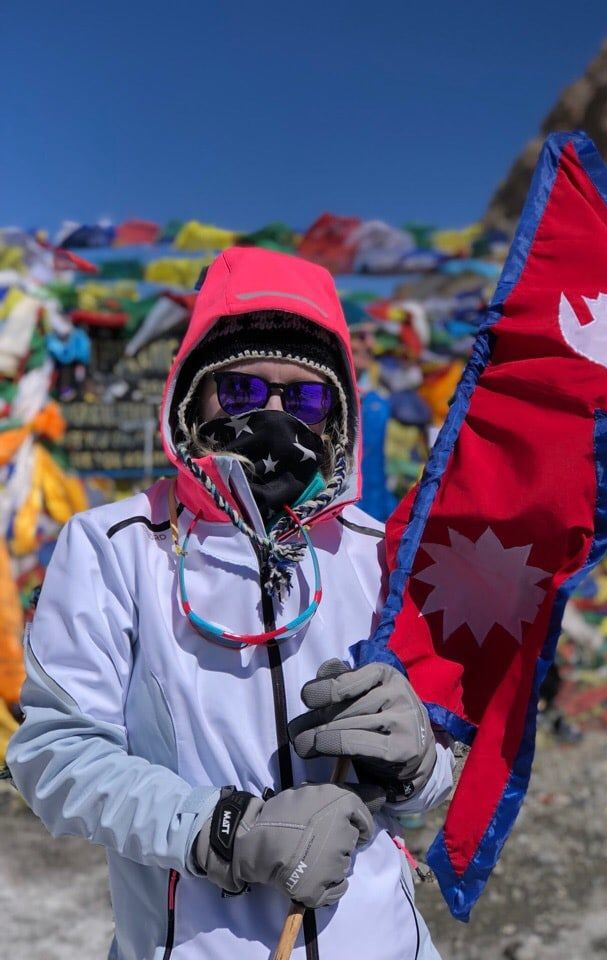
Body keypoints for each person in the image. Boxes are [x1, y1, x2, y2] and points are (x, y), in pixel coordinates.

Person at [7, 247, 454, 960]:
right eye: (243, 390)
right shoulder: (113, 547)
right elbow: (55, 758)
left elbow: (435, 774)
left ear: (337, 413)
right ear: (194, 394)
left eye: (305, 398)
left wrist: (420, 760)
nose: (276, 417)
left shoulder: (379, 552)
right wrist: (227, 832)